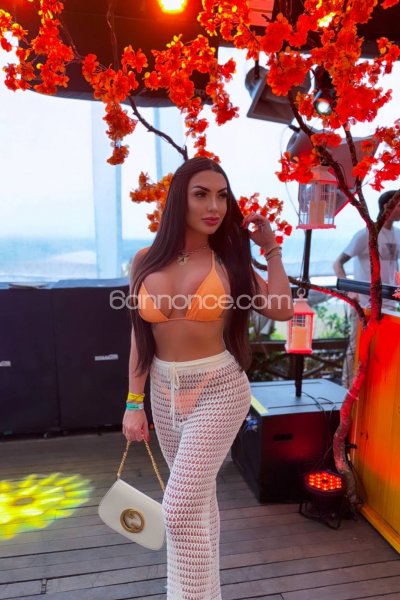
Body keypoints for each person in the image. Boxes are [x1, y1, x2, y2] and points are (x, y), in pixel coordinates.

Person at [123, 157, 293, 600]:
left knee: (178, 509)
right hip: (163, 391)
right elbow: (140, 337)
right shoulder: (144, 260)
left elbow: (281, 308)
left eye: (221, 196)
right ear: (179, 200)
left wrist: (271, 251)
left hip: (219, 389)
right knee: (198, 504)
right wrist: (133, 402)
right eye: (201, 194)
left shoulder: (229, 262)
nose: (214, 206)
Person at [333, 190, 400, 388]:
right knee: (357, 347)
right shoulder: (366, 234)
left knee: (384, 348)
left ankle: (373, 390)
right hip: (364, 303)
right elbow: (337, 263)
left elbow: (393, 266)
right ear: (388, 206)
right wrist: (349, 290)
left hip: (389, 303)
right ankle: (346, 389)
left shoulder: (397, 234)